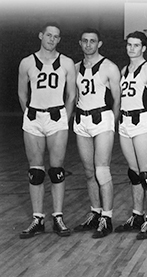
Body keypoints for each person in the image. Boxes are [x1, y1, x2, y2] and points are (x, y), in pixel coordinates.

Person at [17, 22, 77, 239]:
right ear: (40, 35)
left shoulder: (67, 63)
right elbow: (22, 93)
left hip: (57, 118)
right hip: (33, 118)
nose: (52, 39)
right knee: (35, 171)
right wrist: (30, 113)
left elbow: (72, 95)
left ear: (59, 40)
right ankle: (38, 218)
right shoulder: (26, 63)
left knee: (57, 170)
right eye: (49, 35)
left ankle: (58, 217)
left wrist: (65, 118)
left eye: (56, 36)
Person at [72, 28, 121, 239]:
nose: (89, 44)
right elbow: (72, 96)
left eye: (93, 41)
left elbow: (118, 99)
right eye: (85, 41)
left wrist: (113, 123)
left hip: (102, 120)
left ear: (99, 44)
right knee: (89, 171)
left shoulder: (109, 67)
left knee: (102, 170)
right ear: (80, 43)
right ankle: (95, 212)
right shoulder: (74, 68)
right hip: (81, 120)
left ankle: (107, 218)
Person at [114, 31, 147, 240]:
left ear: (143, 48)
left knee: (146, 173)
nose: (132, 48)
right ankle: (137, 215)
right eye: (129, 45)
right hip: (125, 123)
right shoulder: (124, 70)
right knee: (134, 173)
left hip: (142, 122)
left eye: (136, 45)